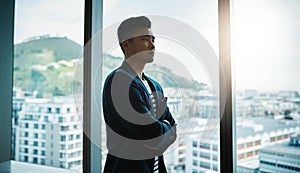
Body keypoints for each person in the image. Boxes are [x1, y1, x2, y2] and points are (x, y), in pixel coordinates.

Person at [102, 16, 177, 173]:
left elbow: (173, 130)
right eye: (144, 40)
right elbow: (150, 131)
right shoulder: (119, 82)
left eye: (153, 39)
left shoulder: (154, 85)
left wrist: (162, 135)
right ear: (126, 44)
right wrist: (165, 129)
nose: (152, 45)